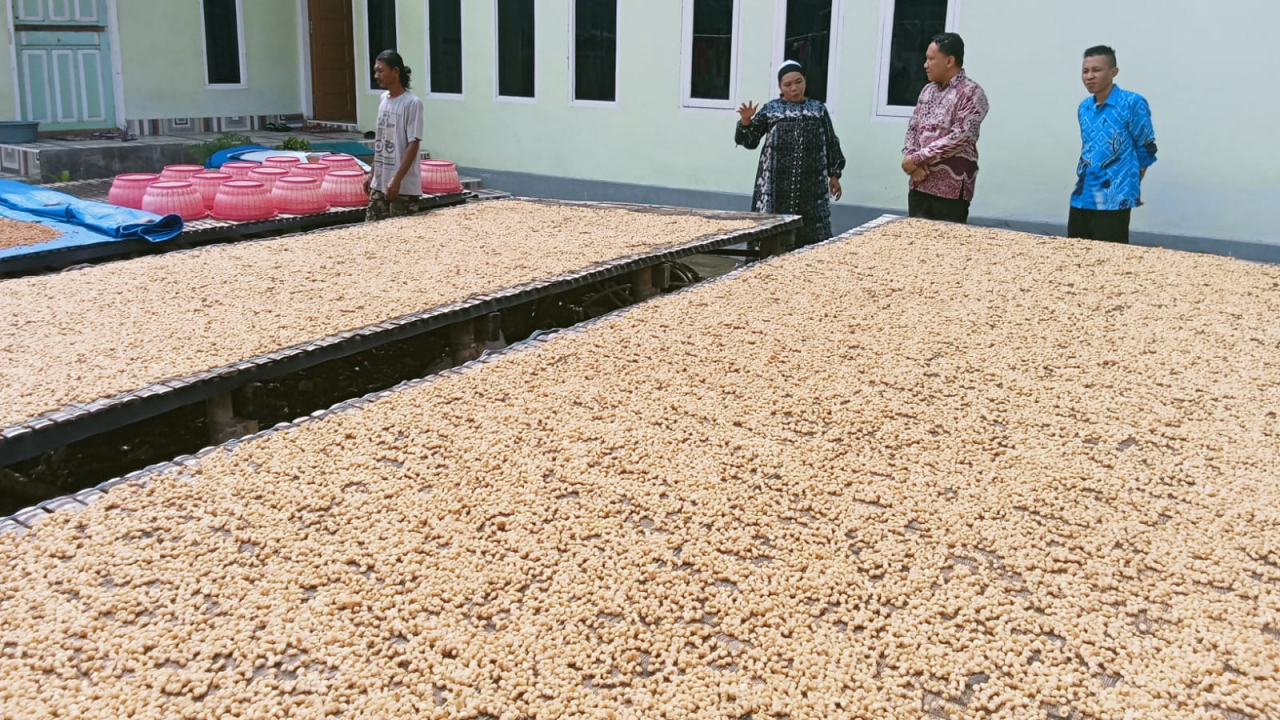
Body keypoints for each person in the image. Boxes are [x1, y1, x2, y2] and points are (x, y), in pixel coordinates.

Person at [736, 60, 846, 248]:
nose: (794, 88)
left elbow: (830, 142)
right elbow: (750, 141)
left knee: (810, 233)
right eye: (788, 85)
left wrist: (834, 175)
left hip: (811, 187)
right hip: (775, 186)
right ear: (780, 87)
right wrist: (746, 121)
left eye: (798, 82)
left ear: (805, 82)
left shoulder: (818, 110)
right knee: (773, 234)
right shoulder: (771, 110)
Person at [1068, 45, 1157, 244]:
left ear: (1113, 72)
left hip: (1115, 197)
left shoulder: (1132, 103)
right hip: (1083, 194)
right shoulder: (1084, 107)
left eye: (1096, 70)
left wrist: (1132, 179)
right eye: (1085, 71)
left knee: (1111, 259)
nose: (1089, 76)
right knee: (1074, 253)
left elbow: (1146, 144)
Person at [901, 33, 989, 224]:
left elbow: (960, 137)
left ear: (950, 61)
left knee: (946, 249)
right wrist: (910, 159)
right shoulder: (927, 90)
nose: (925, 64)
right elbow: (913, 127)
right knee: (913, 245)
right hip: (919, 183)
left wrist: (916, 159)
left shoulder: (972, 93)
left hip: (950, 192)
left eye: (931, 59)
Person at [365, 50, 424, 222]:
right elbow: (381, 139)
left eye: (381, 71)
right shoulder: (383, 99)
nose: (376, 75)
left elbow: (413, 144)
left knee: (401, 238)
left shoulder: (412, 103)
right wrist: (372, 174)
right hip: (380, 181)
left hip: (403, 186)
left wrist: (397, 180)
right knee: (371, 232)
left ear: (396, 71)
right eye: (375, 71)